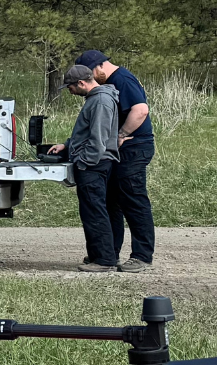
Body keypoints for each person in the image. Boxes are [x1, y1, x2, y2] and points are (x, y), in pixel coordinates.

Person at [78, 48, 154, 273]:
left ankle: (142, 256)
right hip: (121, 151)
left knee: (134, 201)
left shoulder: (121, 79)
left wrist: (121, 134)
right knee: (113, 201)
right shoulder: (109, 83)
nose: (90, 78)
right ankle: (108, 253)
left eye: (90, 73)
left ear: (99, 66)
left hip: (134, 147)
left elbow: (140, 110)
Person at [45, 65, 123, 272]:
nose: (69, 91)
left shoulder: (100, 101)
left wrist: (84, 162)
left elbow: (98, 138)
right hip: (96, 162)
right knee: (93, 210)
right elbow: (86, 132)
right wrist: (68, 145)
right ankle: (100, 254)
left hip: (94, 164)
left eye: (70, 87)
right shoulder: (98, 99)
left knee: (95, 211)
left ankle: (105, 260)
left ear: (81, 83)